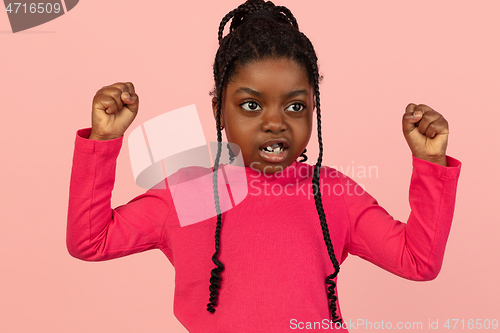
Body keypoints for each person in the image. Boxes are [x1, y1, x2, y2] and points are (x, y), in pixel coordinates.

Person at [66, 0, 462, 331]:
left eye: (295, 106)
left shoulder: (332, 193)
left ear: (314, 111)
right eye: (251, 105)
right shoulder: (192, 193)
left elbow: (418, 261)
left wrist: (430, 163)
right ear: (218, 110)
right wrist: (103, 142)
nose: (276, 122)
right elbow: (90, 241)